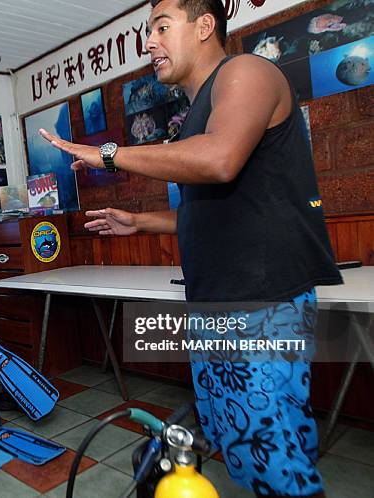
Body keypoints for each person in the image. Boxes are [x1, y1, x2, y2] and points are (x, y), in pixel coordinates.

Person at [40, 1, 342, 497]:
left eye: (161, 27)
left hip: (261, 304)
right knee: (243, 445)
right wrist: (140, 222)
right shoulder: (196, 115)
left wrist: (110, 155)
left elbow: (221, 161)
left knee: (273, 458)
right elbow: (218, 210)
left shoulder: (246, 72)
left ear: (205, 26)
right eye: (147, 31)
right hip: (217, 305)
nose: (149, 42)